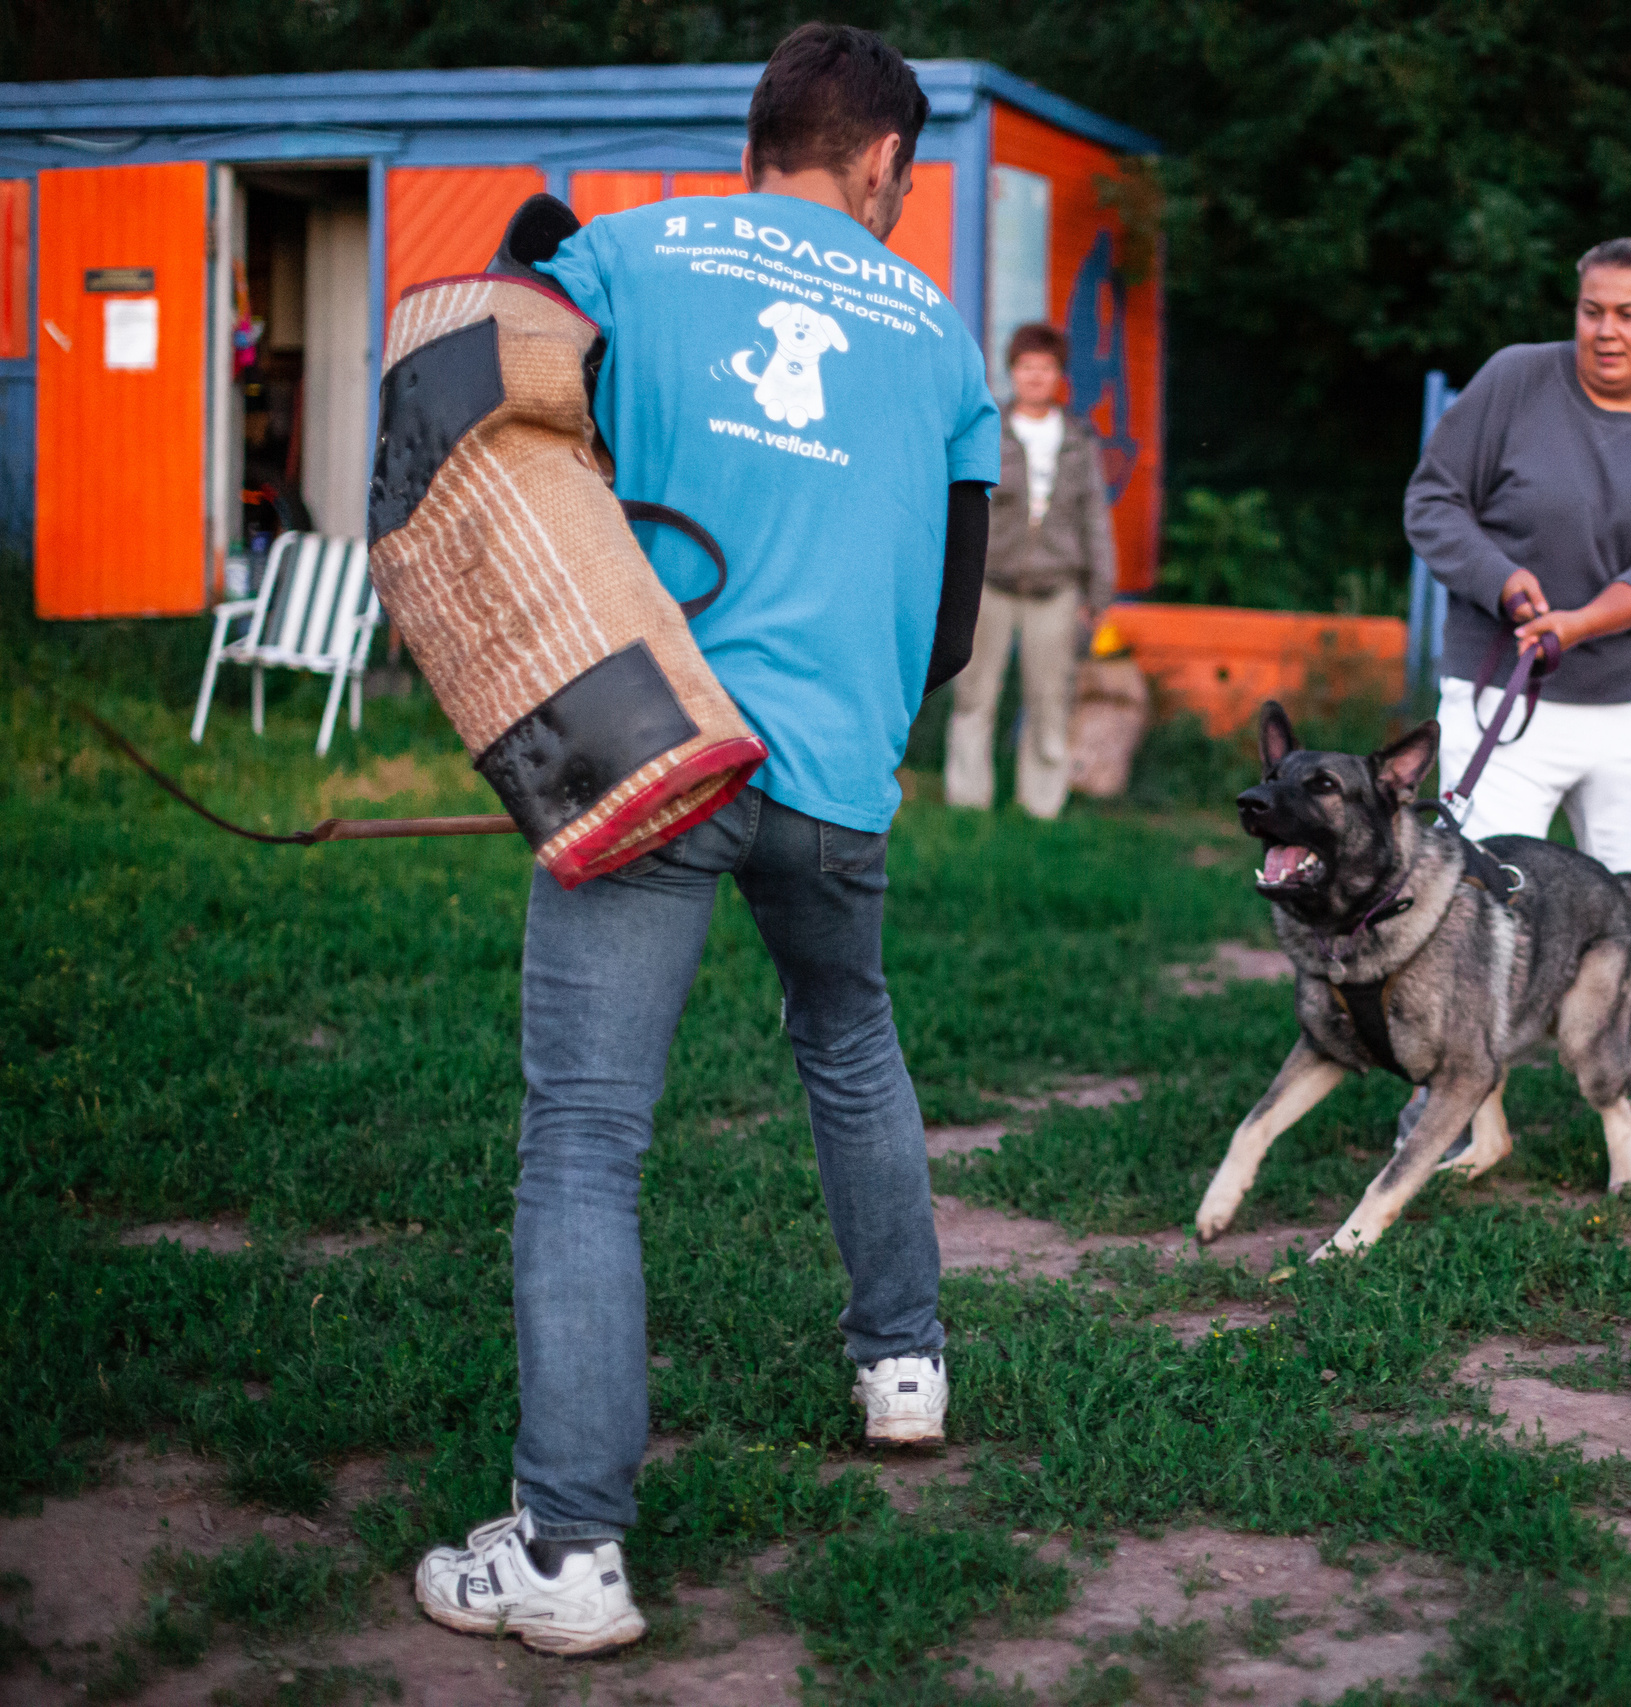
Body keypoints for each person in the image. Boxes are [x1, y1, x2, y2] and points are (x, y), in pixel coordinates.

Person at [409, 23, 1001, 1656]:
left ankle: (570, 1551)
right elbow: (950, 629)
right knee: (850, 1039)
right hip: (832, 787)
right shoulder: (945, 343)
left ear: (761, 139)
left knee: (590, 1141)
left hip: (648, 754)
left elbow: (489, 440)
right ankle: (901, 1365)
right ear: (882, 159)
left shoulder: (618, 254)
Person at [1404, 237, 1631, 1098]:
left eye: (1630, 313)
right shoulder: (1515, 378)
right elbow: (1432, 499)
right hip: (1499, 688)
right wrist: (1501, 581)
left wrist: (1583, 620)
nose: (1607, 330)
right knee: (1470, 909)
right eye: (1592, 310)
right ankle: (1450, 1101)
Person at [944, 321, 1121, 818]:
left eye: (1045, 368)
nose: (1035, 377)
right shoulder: (986, 427)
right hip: (989, 584)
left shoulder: (1078, 440)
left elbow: (1094, 518)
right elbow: (960, 504)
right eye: (1026, 367)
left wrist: (1099, 594)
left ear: (1059, 376)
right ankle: (966, 799)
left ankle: (1042, 805)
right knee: (975, 694)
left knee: (1050, 700)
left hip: (1057, 588)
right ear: (1012, 373)